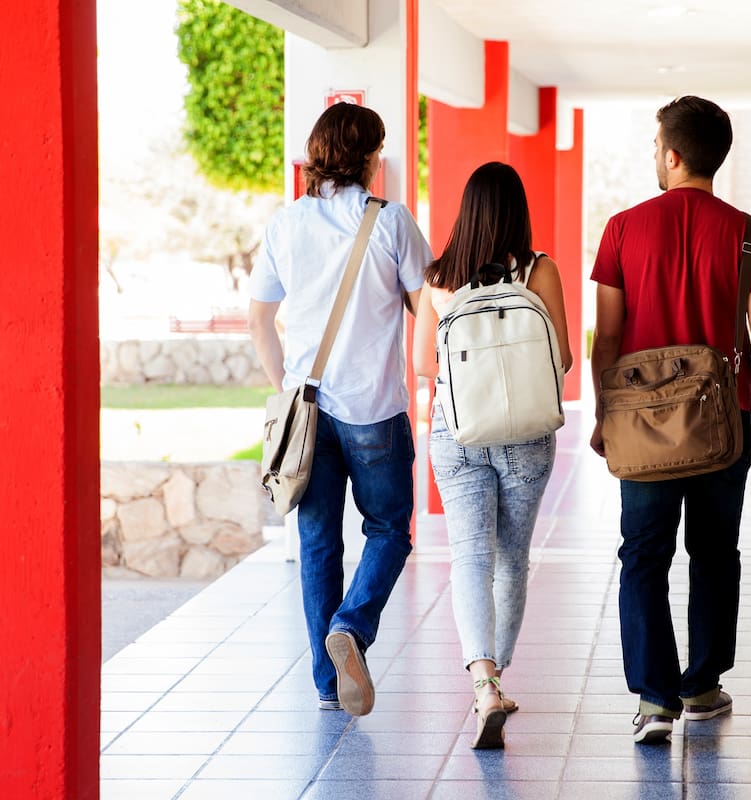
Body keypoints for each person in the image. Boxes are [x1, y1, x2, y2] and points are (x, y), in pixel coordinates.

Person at [589, 95, 751, 744]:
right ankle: (701, 685)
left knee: (643, 555)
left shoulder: (623, 228)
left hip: (643, 424)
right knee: (714, 554)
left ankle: (654, 699)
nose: (655, 156)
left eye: (656, 147)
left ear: (673, 155)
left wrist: (602, 413)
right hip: (723, 422)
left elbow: (609, 337)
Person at [247, 103, 431, 717]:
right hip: (374, 409)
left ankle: (328, 684)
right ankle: (351, 626)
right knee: (388, 531)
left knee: (319, 541)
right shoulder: (392, 221)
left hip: (308, 411)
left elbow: (260, 320)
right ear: (370, 157)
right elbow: (423, 307)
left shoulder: (286, 223)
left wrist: (287, 388)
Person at [412, 161, 574, 749]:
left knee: (469, 557)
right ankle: (497, 677)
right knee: (512, 557)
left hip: (457, 434)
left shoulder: (437, 277)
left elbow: (424, 365)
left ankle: (481, 684)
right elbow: (562, 359)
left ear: (467, 210)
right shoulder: (540, 270)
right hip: (527, 435)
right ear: (518, 211)